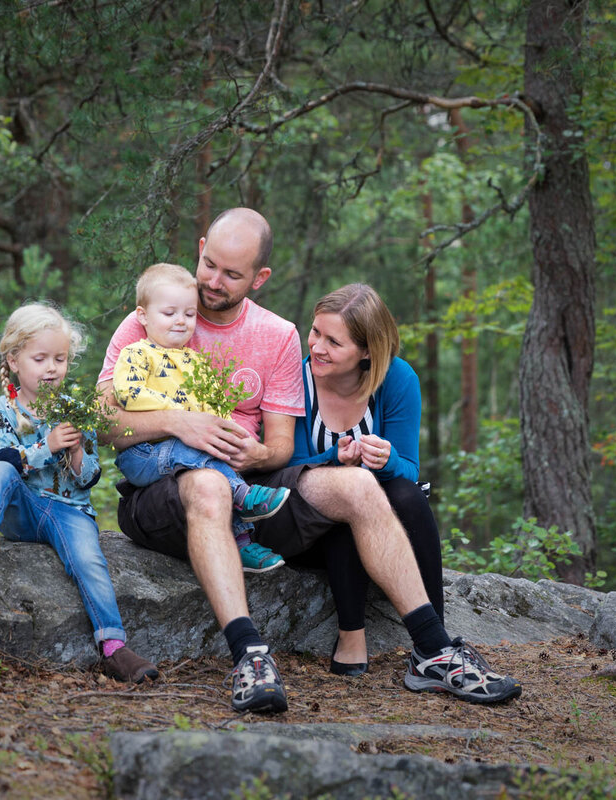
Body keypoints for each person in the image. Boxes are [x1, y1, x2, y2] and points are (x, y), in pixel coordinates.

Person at [96, 208, 521, 712]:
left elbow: (280, 449)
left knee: (360, 485)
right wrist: (178, 422)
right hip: (163, 489)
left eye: (232, 274)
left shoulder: (277, 335)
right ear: (203, 245)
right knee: (210, 486)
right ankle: (250, 655)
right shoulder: (153, 313)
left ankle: (433, 649)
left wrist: (255, 453)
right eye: (209, 264)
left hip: (253, 488)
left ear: (259, 278)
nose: (212, 282)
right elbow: (104, 425)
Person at [0, 302, 158, 684]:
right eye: (40, 358)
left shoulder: (75, 408)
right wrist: (48, 446)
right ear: (15, 360)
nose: (52, 368)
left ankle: (114, 647)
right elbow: (4, 459)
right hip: (22, 508)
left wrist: (75, 451)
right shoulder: (3, 410)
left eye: (60, 358)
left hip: (69, 510)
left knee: (89, 562)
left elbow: (89, 478)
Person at [288, 284, 445, 678]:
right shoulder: (295, 377)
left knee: (408, 495)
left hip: (379, 517)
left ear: (367, 351)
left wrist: (388, 460)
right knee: (346, 500)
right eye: (315, 332)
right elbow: (286, 466)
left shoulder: (396, 379)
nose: (317, 347)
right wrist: (332, 458)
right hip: (308, 520)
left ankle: (437, 643)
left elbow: (409, 468)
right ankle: (350, 635)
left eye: (333, 342)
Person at [111, 263, 290, 573]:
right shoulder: (138, 353)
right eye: (169, 314)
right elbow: (128, 394)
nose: (181, 322)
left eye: (189, 315)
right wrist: (180, 416)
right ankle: (244, 496)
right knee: (193, 452)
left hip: (181, 452)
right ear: (142, 316)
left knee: (212, 460)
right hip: (143, 454)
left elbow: (210, 407)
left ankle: (242, 545)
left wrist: (229, 435)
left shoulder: (195, 360)